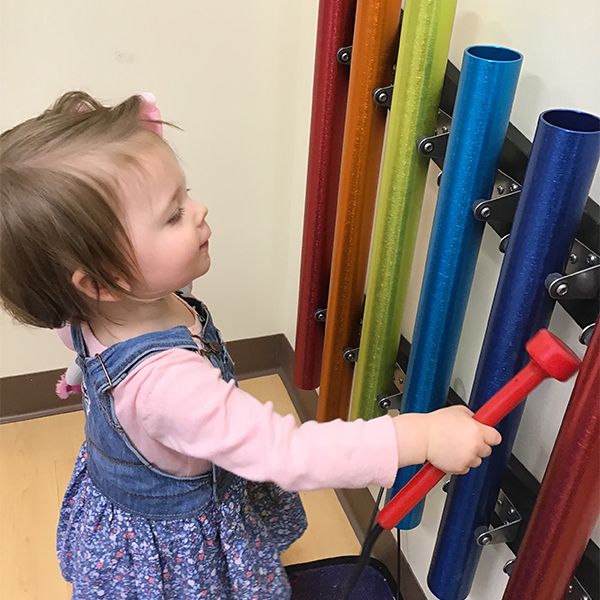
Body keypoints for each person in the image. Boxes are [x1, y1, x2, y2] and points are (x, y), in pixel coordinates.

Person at [0, 91, 502, 600]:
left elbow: (86, 356)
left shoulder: (94, 312)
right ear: (101, 281)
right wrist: (417, 437)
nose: (199, 210)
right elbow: (284, 452)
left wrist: (75, 376)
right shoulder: (168, 386)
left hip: (128, 504)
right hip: (173, 546)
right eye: (172, 215)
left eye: (186, 196)